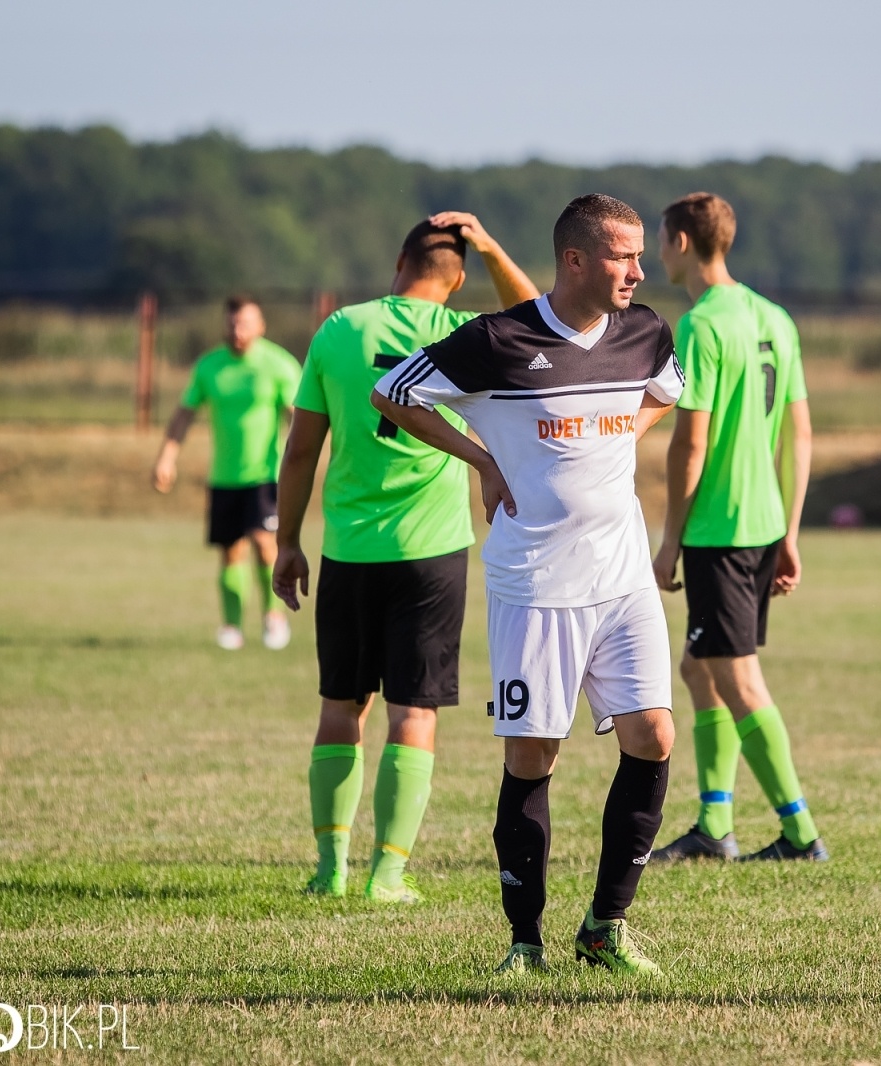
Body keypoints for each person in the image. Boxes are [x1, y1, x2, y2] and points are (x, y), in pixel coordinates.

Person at [372, 194, 683, 977]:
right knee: (533, 758)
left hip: (622, 578)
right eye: (622, 256)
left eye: (641, 255)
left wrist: (607, 439)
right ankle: (525, 941)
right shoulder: (496, 339)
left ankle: (605, 927)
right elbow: (394, 395)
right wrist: (481, 457)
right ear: (575, 259)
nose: (638, 271)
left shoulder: (646, 329)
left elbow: (660, 394)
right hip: (535, 584)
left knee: (655, 735)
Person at [273, 214, 538, 903]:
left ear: (399, 260)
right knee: (413, 713)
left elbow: (300, 450)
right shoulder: (463, 334)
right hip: (432, 550)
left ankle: (329, 870)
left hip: (349, 549)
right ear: (456, 279)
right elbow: (539, 321)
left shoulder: (338, 329)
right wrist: (489, 246)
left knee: (341, 706)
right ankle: (387, 874)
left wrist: (286, 542)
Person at [647, 192, 826, 864]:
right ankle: (714, 825)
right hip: (762, 525)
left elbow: (688, 447)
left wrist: (669, 541)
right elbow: (799, 432)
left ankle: (800, 832)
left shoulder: (700, 325)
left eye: (661, 238)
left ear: (684, 242)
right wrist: (790, 529)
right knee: (699, 667)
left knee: (738, 677)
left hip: (719, 531)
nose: (657, 253)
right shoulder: (774, 317)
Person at [152, 295, 300, 650]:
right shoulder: (209, 367)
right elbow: (184, 414)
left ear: (261, 326)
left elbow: (298, 414)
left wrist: (304, 458)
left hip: (266, 475)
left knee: (265, 545)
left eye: (246, 323)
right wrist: (166, 457)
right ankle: (232, 626)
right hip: (224, 476)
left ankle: (273, 618)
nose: (238, 331)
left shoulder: (278, 364)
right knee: (231, 552)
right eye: (233, 323)